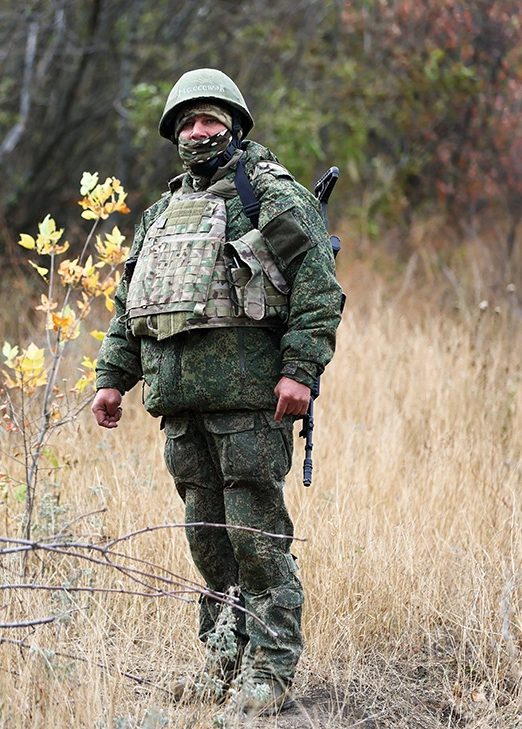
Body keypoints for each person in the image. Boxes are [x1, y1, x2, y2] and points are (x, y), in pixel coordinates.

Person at [91, 68, 343, 715]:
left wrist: (300, 372)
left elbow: (318, 288)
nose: (198, 131)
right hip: (181, 410)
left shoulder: (268, 192)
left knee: (255, 534)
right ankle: (225, 659)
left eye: (210, 119)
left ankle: (272, 665)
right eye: (188, 122)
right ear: (175, 133)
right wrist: (113, 379)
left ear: (234, 123)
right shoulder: (160, 213)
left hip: (249, 402)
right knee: (208, 539)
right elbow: (129, 308)